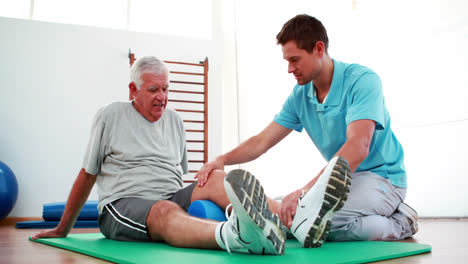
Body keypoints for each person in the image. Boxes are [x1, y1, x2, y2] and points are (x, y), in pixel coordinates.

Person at [196, 14, 418, 245]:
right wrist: (222, 159)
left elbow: (358, 146)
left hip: (383, 179)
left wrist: (304, 192)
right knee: (288, 213)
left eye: (295, 60)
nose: (290, 69)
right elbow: (262, 141)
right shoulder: (300, 95)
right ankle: (297, 214)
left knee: (307, 220)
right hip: (345, 180)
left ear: (319, 49)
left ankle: (400, 223)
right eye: (287, 61)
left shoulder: (362, 81)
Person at [32, 56, 288, 255]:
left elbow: (179, 175)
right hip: (122, 204)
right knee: (165, 209)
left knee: (217, 176)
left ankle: (288, 221)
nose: (162, 97)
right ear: (133, 89)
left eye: (166, 89)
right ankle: (238, 237)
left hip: (170, 198)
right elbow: (87, 175)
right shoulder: (110, 116)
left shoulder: (175, 120)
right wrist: (62, 229)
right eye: (154, 90)